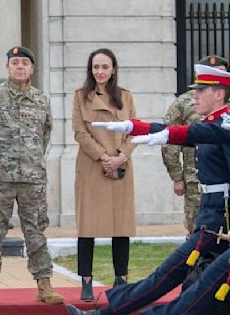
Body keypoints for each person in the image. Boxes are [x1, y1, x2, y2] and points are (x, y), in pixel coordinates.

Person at [66, 64, 230, 315]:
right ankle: (102, 313)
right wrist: (136, 127)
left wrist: (151, 133)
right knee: (169, 277)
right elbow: (184, 133)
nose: (194, 96)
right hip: (211, 218)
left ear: (219, 94)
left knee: (186, 290)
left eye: (201, 90)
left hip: (220, 223)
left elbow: (187, 133)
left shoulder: (223, 125)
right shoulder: (213, 122)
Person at [0, 46, 63, 306]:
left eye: (25, 62)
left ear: (32, 68)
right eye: (15, 62)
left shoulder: (41, 100)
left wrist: (30, 160)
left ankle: (44, 284)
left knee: (36, 232)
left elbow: (45, 135)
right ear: (8, 68)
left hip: (32, 178)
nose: (20, 66)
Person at [71, 48, 137, 301]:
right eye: (95, 67)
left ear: (113, 69)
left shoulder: (126, 97)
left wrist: (121, 156)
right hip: (92, 166)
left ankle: (121, 279)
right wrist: (103, 157)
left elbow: (135, 130)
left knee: (120, 226)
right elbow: (79, 132)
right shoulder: (80, 96)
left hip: (121, 167)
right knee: (87, 226)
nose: (100, 72)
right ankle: (86, 280)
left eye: (104, 67)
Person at [162, 54, 228, 238]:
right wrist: (177, 176)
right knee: (197, 231)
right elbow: (171, 139)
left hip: (222, 179)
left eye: (223, 73)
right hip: (194, 180)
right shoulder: (184, 103)